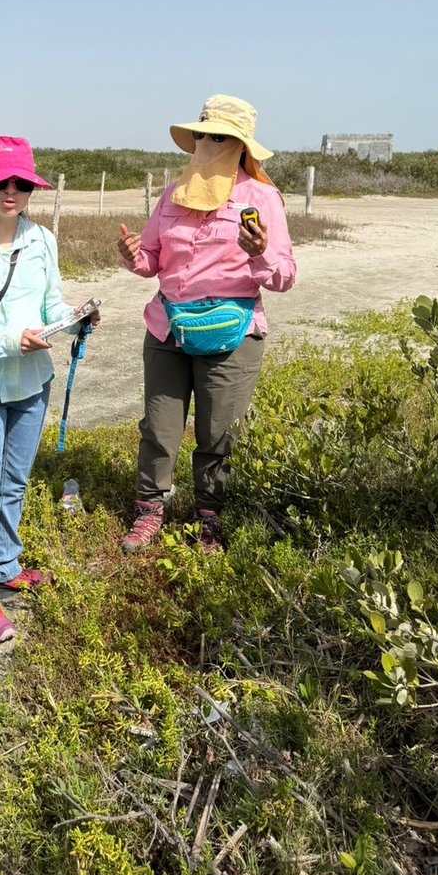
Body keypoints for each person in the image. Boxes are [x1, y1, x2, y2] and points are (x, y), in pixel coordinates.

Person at [117, 94, 295, 554]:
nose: (206, 142)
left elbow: (284, 276)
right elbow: (153, 260)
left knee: (217, 432)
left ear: (240, 146)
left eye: (218, 136)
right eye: (201, 134)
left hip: (233, 334)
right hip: (168, 327)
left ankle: (209, 518)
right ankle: (149, 510)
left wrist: (256, 254)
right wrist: (133, 255)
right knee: (159, 427)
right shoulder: (173, 192)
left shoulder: (261, 197)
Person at [0, 136, 98, 644]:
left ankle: (6, 564)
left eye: (21, 183)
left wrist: (75, 321)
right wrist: (13, 339)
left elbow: (51, 308)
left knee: (14, 483)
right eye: (0, 182)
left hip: (33, 383)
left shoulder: (43, 240)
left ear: (31, 187)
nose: (10, 191)